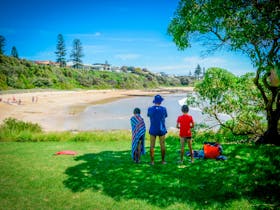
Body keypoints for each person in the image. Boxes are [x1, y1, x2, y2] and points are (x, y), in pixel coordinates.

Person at [147, 94, 168, 165]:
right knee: (162, 145)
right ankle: (163, 161)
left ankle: (152, 161)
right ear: (160, 102)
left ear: (154, 101)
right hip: (161, 129)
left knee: (152, 145)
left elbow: (148, 115)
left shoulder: (150, 109)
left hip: (153, 129)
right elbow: (165, 116)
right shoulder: (164, 109)